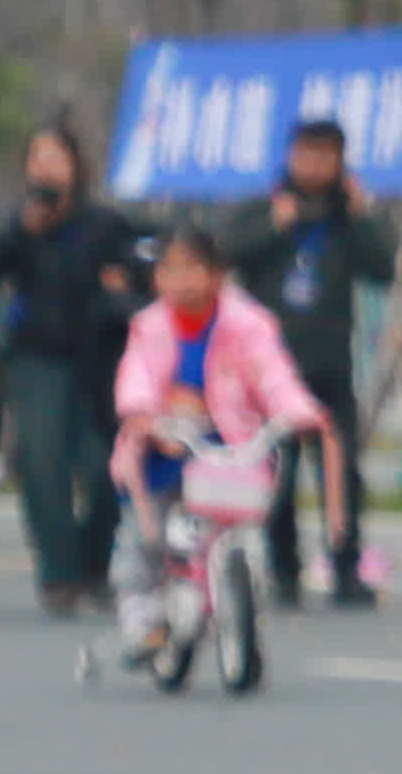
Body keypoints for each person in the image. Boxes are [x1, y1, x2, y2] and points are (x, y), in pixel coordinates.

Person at [108, 223, 331, 647]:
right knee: (145, 534)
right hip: (164, 448)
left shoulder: (248, 325)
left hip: (225, 447)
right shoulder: (150, 327)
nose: (181, 282)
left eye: (193, 269)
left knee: (235, 518)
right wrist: (144, 416)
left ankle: (231, 589)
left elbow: (273, 375)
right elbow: (135, 378)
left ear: (217, 274)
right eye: (170, 271)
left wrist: (297, 411)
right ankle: (142, 616)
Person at [0, 119, 146, 617]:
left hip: (98, 360)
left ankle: (95, 568)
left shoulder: (105, 224)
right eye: (38, 157)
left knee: (104, 468)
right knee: (40, 462)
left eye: (57, 156)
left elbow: (145, 262)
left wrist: (124, 282)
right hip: (36, 361)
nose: (47, 166)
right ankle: (59, 574)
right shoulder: (22, 226)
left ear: (77, 165)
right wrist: (20, 231)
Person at [233, 115, 396, 610]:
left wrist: (362, 214)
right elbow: (228, 252)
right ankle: (285, 570)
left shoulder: (347, 219)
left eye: (327, 155)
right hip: (271, 371)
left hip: (330, 367)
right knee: (275, 475)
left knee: (341, 472)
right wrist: (273, 225)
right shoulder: (264, 208)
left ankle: (345, 567)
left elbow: (382, 268)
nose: (316, 165)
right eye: (307, 153)